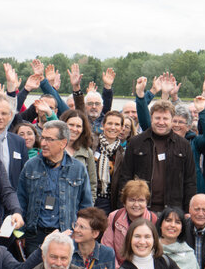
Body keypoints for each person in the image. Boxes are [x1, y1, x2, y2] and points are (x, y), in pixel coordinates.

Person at [17, 120, 93, 254]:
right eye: (43, 138)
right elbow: (20, 202)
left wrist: (80, 235)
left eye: (49, 139)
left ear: (63, 143)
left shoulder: (78, 169)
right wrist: (20, 234)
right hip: (35, 236)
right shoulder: (31, 166)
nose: (44, 143)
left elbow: (86, 207)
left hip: (67, 235)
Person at [114, 98, 197, 213]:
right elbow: (125, 177)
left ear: (172, 120)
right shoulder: (136, 142)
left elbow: (190, 182)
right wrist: (122, 208)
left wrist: (188, 211)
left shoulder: (184, 145)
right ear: (151, 118)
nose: (161, 122)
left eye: (165, 119)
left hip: (173, 211)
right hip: (141, 209)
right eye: (157, 118)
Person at [101, 179, 157, 260]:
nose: (136, 204)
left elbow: (156, 251)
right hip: (118, 268)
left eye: (141, 200)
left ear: (146, 202)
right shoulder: (114, 217)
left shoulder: (153, 220)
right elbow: (106, 248)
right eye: (132, 200)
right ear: (124, 202)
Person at [60, 108, 98, 199]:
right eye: (71, 125)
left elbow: (92, 184)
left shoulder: (87, 152)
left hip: (78, 204)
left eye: (78, 126)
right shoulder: (55, 148)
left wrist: (89, 207)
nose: (74, 129)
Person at [92, 110, 125, 211]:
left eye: (117, 124)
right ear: (103, 125)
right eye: (110, 123)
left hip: (110, 202)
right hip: (92, 198)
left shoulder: (122, 154)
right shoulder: (92, 144)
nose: (113, 127)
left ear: (122, 128)